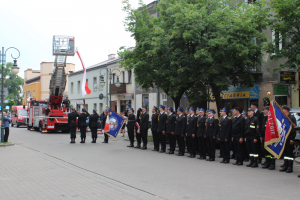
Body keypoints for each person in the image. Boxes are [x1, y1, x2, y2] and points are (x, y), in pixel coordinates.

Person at [279, 105, 296, 173]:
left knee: (289, 153)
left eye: (283, 110)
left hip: (289, 138)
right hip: (284, 137)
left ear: (286, 110)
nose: (282, 111)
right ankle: (285, 165)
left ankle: (290, 167)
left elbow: (294, 129)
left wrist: (292, 139)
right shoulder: (284, 117)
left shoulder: (291, 118)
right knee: (285, 153)